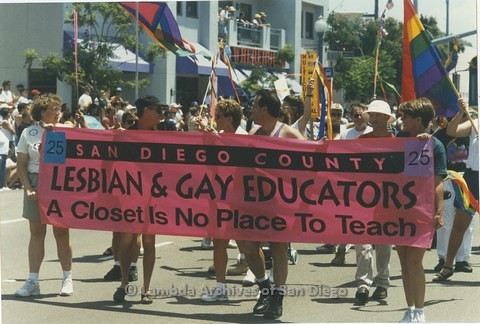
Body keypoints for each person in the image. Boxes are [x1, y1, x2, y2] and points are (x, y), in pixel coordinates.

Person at [240, 89, 304, 319]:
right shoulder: (253, 132)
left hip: (280, 203)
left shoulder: (288, 133)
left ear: (265, 108)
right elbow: (235, 155)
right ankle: (264, 288)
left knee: (278, 250)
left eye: (255, 106)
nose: (252, 110)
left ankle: (277, 297)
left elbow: (313, 159)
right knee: (247, 245)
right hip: (253, 201)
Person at [14, 93, 85, 297]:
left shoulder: (67, 129)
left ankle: (67, 279)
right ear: (42, 111)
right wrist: (28, 187)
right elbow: (21, 164)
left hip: (60, 184)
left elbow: (88, 146)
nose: (58, 112)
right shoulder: (29, 132)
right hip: (36, 182)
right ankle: (33, 281)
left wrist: (82, 124)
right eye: (54, 109)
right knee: (37, 234)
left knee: (61, 233)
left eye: (59, 109)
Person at [396, 98, 446, 322]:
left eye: (406, 117)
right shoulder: (398, 140)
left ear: (418, 120)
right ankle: (409, 308)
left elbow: (438, 181)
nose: (402, 120)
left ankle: (420, 311)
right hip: (398, 209)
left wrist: (438, 211)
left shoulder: (434, 145)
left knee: (415, 262)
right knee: (404, 262)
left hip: (421, 210)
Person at [113, 95, 166, 305]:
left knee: (149, 241)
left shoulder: (163, 136)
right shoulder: (125, 134)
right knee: (126, 241)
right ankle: (125, 283)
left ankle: (146, 288)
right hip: (129, 194)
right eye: (157, 109)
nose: (161, 114)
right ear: (145, 111)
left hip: (154, 195)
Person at [196, 99, 249, 302]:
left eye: (217, 117)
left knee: (249, 245)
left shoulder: (244, 137)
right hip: (220, 198)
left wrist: (214, 137)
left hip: (242, 200)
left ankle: (263, 283)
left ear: (229, 119)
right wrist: (206, 137)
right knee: (219, 241)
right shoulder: (217, 137)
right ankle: (220, 286)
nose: (215, 120)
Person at [351, 100, 394, 304]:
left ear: (387, 118)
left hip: (388, 200)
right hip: (363, 199)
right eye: (372, 115)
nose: (373, 118)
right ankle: (362, 283)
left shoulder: (398, 142)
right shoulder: (361, 140)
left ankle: (383, 282)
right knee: (362, 242)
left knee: (385, 242)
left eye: (377, 115)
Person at [433, 97, 478, 282]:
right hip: (474, 179)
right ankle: (448, 265)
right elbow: (452, 131)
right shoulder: (476, 123)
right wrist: (461, 112)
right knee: (460, 225)